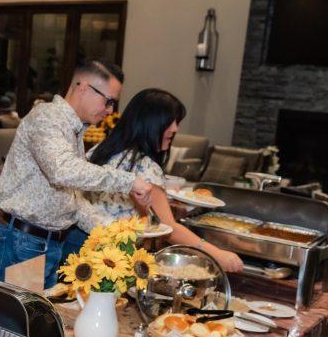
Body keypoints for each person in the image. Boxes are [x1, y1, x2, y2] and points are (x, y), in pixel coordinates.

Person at [0, 59, 153, 288]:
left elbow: (72, 199)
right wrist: (128, 181)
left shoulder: (72, 129)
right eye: (109, 101)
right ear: (84, 88)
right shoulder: (46, 117)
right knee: (20, 321)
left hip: (46, 243)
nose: (110, 110)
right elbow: (62, 171)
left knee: (36, 319)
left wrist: (111, 231)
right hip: (24, 242)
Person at [74, 88, 244, 272]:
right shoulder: (145, 166)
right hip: (114, 261)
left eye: (176, 122)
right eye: (170, 122)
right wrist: (218, 255)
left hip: (81, 250)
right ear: (150, 122)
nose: (175, 129)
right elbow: (169, 228)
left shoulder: (101, 149)